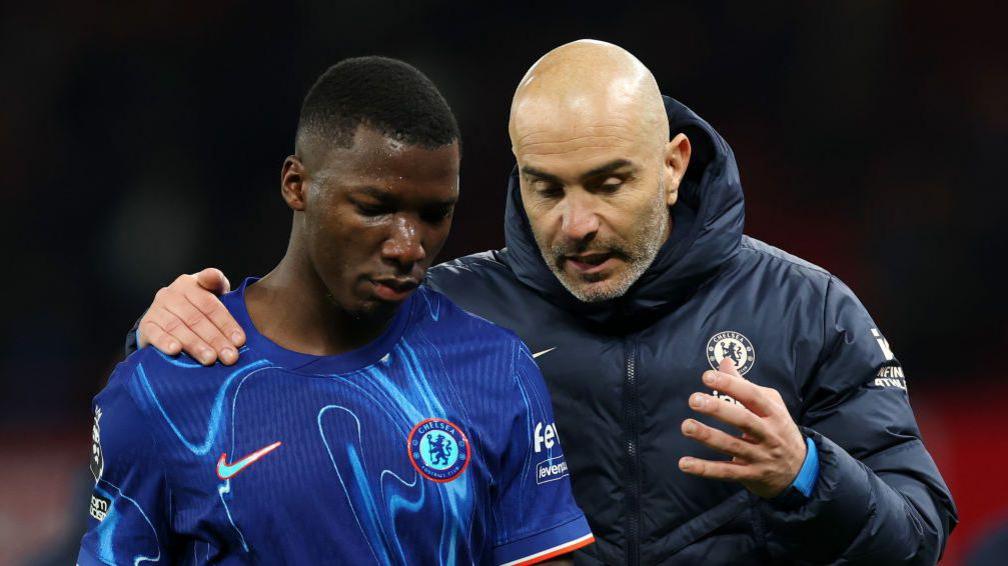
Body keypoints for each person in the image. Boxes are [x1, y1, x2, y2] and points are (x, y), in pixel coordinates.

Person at [129, 41, 957, 564]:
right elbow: (268, 361)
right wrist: (166, 325)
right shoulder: (438, 311)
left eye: (608, 183)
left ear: (672, 164)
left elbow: (919, 535)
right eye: (546, 188)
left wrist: (805, 475)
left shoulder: (808, 310)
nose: (577, 224)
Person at [79, 56, 594, 566]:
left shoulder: (496, 369)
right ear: (296, 185)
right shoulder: (162, 388)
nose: (408, 245)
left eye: (435, 214)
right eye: (375, 208)